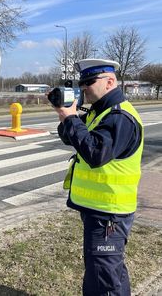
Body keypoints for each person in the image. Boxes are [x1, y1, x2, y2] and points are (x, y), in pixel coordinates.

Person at [54, 59, 144, 296]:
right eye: (81, 83)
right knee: (105, 271)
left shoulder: (120, 117)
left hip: (109, 214)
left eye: (89, 82)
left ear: (110, 81)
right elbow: (70, 136)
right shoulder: (101, 112)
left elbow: (95, 154)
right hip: (100, 210)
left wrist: (72, 119)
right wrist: (65, 115)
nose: (83, 88)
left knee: (104, 277)